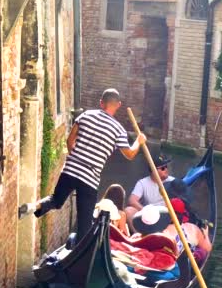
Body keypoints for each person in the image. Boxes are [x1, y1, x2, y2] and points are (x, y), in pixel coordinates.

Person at [19, 88, 146, 241]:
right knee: (84, 226)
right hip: (90, 179)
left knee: (55, 200)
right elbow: (130, 154)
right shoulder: (118, 130)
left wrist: (75, 158)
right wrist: (139, 142)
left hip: (71, 169)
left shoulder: (86, 115)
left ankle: (33, 206)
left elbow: (70, 140)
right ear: (118, 105)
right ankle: (79, 258)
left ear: (101, 102)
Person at [124, 154, 174, 230]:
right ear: (154, 171)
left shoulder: (173, 182)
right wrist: (146, 211)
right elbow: (132, 200)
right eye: (163, 168)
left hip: (164, 215)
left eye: (166, 167)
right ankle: (137, 236)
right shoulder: (142, 183)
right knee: (128, 211)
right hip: (147, 215)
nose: (166, 170)